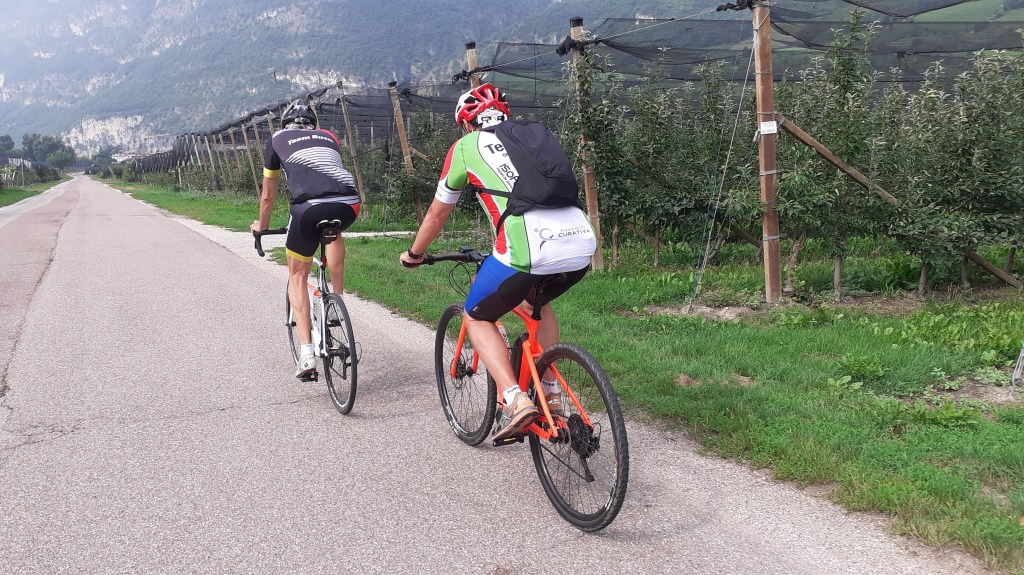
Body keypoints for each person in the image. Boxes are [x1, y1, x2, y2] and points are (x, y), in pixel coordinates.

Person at [399, 83, 596, 441]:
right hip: (581, 243)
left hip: (527, 246)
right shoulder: (534, 136)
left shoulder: (465, 147)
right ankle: (550, 392)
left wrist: (414, 254)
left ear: (466, 123)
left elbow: (437, 213)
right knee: (536, 302)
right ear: (504, 115)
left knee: (476, 315)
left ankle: (515, 399)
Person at [251, 99, 360, 379]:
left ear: (285, 123)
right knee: (334, 231)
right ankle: (336, 300)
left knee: (297, 275)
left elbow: (268, 195)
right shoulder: (329, 136)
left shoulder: (277, 139)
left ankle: (307, 354)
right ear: (313, 124)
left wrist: (262, 226)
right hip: (349, 204)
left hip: (308, 208)